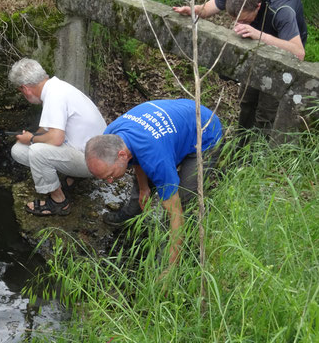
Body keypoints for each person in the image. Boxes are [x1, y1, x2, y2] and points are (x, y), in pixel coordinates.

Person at [85, 99, 222, 265]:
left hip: (204, 133)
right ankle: (132, 215)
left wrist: (169, 270)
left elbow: (175, 212)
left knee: (184, 199)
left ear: (121, 155)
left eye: (110, 175)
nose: (109, 181)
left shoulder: (156, 159)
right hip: (177, 122)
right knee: (143, 181)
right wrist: (144, 188)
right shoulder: (111, 135)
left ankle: (171, 255)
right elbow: (135, 156)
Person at [173, 0, 307, 132]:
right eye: (234, 19)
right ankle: (242, 143)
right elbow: (208, 8)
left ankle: (259, 151)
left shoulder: (282, 9)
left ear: (258, 6)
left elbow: (298, 52)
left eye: (243, 20)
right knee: (247, 100)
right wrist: (192, 10)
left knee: (267, 109)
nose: (238, 24)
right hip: (257, 40)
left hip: (284, 48)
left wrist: (259, 35)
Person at [9, 58, 107, 216]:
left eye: (21, 92)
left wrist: (31, 139)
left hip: (94, 161)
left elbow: (55, 139)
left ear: (25, 89)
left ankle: (58, 202)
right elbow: (48, 129)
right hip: (94, 152)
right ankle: (70, 177)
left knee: (37, 151)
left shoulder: (54, 95)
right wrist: (30, 136)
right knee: (18, 150)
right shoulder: (56, 87)